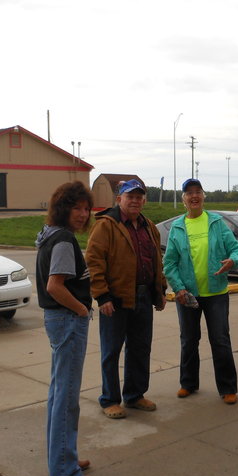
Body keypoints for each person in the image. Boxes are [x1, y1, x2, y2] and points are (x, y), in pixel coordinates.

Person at [85, 179, 167, 419]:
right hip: (115, 299)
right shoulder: (106, 225)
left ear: (144, 200)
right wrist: (102, 296)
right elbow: (94, 261)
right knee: (111, 351)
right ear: (119, 199)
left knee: (140, 348)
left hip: (143, 296)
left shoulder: (148, 226)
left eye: (139, 197)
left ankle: (134, 395)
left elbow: (155, 261)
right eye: (130, 196)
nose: (135, 201)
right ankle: (110, 399)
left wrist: (159, 291)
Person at [35, 181, 95, 476]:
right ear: (63, 209)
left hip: (60, 321)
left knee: (60, 394)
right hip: (67, 321)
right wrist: (82, 310)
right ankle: (63, 472)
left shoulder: (52, 236)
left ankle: (64, 457)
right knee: (66, 398)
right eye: (77, 208)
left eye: (86, 208)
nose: (83, 214)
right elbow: (55, 287)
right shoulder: (62, 241)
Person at [163, 178, 238, 404]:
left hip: (216, 293)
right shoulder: (178, 227)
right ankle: (188, 383)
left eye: (198, 192)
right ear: (184, 200)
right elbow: (169, 263)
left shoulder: (216, 223)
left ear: (203, 196)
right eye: (189, 193)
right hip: (187, 295)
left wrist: (233, 261)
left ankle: (228, 387)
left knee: (220, 339)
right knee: (189, 340)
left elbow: (237, 250)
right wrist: (179, 288)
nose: (194, 196)